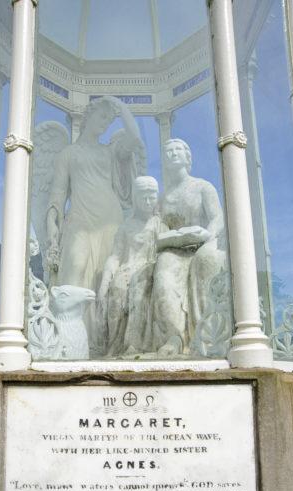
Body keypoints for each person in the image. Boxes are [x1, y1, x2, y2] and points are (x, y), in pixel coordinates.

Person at [46, 96, 143, 294]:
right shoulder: (68, 153)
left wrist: (122, 107)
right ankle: (68, 323)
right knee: (76, 264)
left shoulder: (110, 152)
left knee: (107, 278)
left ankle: (101, 324)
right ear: (89, 116)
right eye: (102, 117)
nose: (105, 123)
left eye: (109, 121)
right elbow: (58, 193)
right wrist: (51, 223)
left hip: (110, 219)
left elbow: (134, 137)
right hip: (80, 218)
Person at [151, 138, 226, 356]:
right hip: (175, 249)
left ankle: (206, 335)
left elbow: (218, 218)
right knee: (163, 273)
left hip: (202, 244)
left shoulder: (203, 187)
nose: (173, 154)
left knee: (206, 259)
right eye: (168, 151)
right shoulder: (163, 198)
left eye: (177, 150)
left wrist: (207, 235)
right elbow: (158, 229)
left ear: (187, 157)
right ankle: (175, 337)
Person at [97, 176, 161, 356]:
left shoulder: (160, 223)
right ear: (135, 198)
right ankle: (115, 347)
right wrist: (106, 277)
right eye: (143, 198)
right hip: (127, 268)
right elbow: (116, 255)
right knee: (116, 290)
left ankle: (135, 345)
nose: (148, 202)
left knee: (138, 291)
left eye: (152, 197)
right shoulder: (126, 226)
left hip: (150, 268)